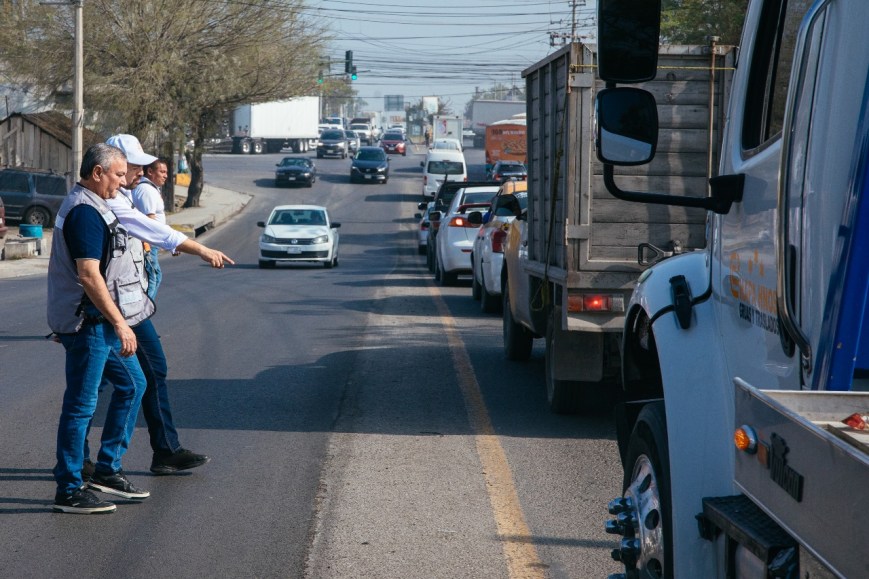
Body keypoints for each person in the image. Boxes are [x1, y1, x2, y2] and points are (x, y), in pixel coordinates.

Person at [80, 134, 232, 481]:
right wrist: (202, 250)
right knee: (100, 384)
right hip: (112, 307)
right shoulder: (105, 201)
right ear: (110, 167)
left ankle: (162, 450)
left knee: (144, 374)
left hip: (131, 302)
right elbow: (149, 233)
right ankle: (88, 462)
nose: (139, 171)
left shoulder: (119, 195)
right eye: (132, 166)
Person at [48, 143, 154, 514]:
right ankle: (70, 488)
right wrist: (120, 322)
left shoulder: (93, 205)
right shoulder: (84, 212)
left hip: (97, 322)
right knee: (80, 406)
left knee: (133, 384)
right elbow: (89, 275)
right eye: (119, 175)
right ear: (97, 173)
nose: (124, 184)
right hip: (88, 323)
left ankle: (107, 469)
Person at [132, 158, 169, 300]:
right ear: (150, 172)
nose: (165, 175)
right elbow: (149, 221)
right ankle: (142, 313)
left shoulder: (150, 189)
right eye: (162, 172)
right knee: (153, 277)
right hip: (147, 244)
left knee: (153, 277)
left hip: (151, 243)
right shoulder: (147, 190)